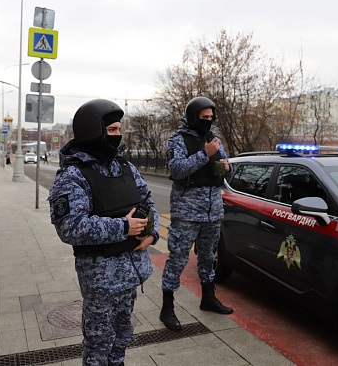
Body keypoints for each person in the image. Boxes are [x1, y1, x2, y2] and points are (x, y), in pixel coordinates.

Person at [48, 99, 159, 366]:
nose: (117, 135)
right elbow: (70, 227)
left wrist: (151, 234)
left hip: (130, 274)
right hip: (101, 281)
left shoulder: (126, 168)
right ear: (92, 132)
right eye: (111, 130)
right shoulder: (72, 176)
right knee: (99, 343)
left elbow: (148, 202)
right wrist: (123, 227)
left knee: (123, 333)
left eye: (119, 129)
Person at [160, 97, 233, 331]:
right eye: (205, 118)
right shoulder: (178, 140)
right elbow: (177, 169)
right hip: (187, 212)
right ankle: (167, 307)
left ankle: (208, 299)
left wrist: (226, 165)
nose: (209, 121)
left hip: (213, 211)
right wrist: (204, 154)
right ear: (194, 117)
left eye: (212, 118)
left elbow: (225, 164)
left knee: (208, 257)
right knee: (178, 258)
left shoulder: (213, 139)